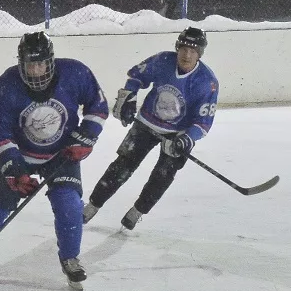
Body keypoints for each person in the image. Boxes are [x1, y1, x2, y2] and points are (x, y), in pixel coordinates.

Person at [0, 31, 109, 290]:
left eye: (41, 64)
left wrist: (85, 139)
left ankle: (70, 258)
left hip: (61, 153)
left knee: (70, 205)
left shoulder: (75, 73)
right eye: (30, 64)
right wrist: (14, 170)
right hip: (21, 155)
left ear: (51, 61)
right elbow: (0, 134)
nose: (36, 71)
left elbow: (98, 106)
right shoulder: (5, 85)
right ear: (21, 63)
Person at [83, 27, 219, 230]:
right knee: (122, 166)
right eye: (184, 48)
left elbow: (203, 122)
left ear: (200, 53)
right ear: (177, 47)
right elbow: (136, 76)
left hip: (176, 134)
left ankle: (137, 211)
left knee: (163, 176)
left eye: (193, 50)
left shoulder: (207, 82)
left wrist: (187, 138)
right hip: (147, 122)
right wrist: (129, 96)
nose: (187, 54)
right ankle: (93, 205)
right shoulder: (163, 60)